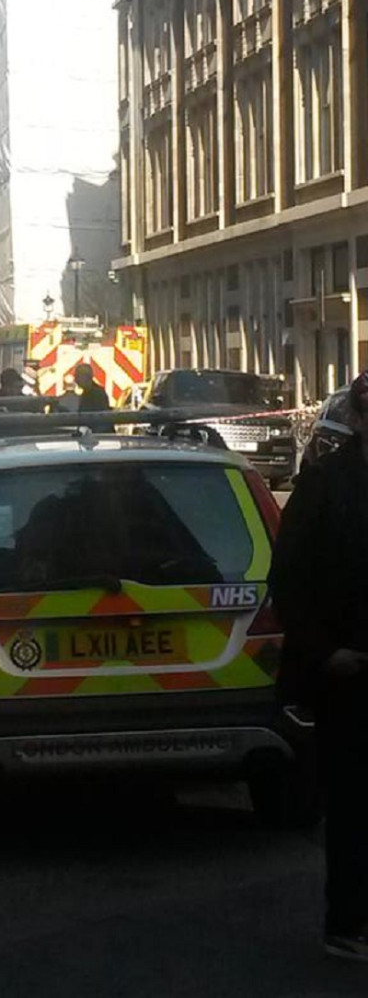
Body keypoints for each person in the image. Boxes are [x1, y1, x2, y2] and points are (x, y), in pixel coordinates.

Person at [270, 370, 368, 961]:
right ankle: (350, 921)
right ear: (359, 420)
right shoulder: (326, 485)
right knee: (356, 803)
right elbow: (290, 579)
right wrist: (326, 653)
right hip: (351, 676)